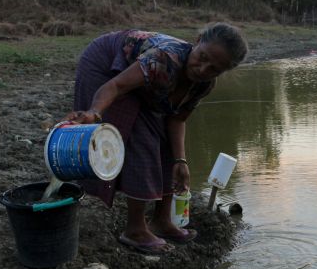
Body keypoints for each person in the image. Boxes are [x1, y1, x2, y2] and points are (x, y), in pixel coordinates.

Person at [63, 23, 248, 254]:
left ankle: (161, 220)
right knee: (140, 136)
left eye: (214, 69)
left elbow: (177, 120)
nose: (203, 69)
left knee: (163, 139)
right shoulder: (164, 60)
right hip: (105, 65)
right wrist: (95, 112)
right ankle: (135, 229)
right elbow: (116, 85)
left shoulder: (203, 84)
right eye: (202, 57)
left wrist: (181, 162)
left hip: (143, 77)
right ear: (198, 40)